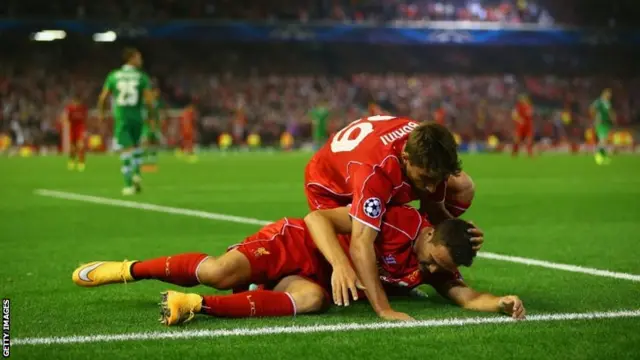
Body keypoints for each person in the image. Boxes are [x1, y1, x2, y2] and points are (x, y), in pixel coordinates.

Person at [72, 206, 523, 324]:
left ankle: (195, 306)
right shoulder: (397, 218)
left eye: (434, 269)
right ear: (428, 234)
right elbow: (318, 218)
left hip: (314, 280)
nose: (425, 271)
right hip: (300, 245)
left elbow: (467, 296)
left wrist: (500, 302)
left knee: (309, 301)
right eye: (428, 260)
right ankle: (128, 269)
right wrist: (345, 266)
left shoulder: (439, 264)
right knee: (217, 271)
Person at [304, 115, 478, 320]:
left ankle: (398, 276)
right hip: (331, 187)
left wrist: (462, 236)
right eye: (426, 179)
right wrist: (384, 309)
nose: (432, 187)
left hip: (368, 164)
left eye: (437, 180)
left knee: (463, 186)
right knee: (357, 262)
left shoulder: (426, 142)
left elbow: (435, 210)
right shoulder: (376, 173)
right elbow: (361, 244)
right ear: (406, 158)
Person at [97, 48, 154, 195]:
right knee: (137, 146)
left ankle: (129, 184)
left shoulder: (114, 76)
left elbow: (103, 97)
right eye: (139, 57)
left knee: (126, 149)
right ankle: (137, 175)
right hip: (138, 116)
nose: (141, 61)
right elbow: (149, 100)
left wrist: (102, 113)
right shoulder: (142, 77)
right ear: (131, 59)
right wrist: (152, 116)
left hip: (122, 116)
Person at [62, 95, 88, 171]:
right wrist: (66, 122)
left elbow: (85, 119)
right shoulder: (69, 108)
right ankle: (71, 161)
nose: (76, 104)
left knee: (81, 146)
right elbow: (66, 117)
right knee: (72, 148)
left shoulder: (83, 108)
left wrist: (85, 130)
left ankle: (81, 162)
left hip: (80, 130)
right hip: (72, 130)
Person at [590, 88, 615, 165]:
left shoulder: (607, 102)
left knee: (604, 140)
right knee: (602, 140)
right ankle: (598, 156)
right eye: (608, 94)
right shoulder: (599, 102)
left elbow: (610, 112)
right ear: (604, 93)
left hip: (607, 123)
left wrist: (613, 118)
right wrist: (595, 118)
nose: (609, 95)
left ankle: (603, 156)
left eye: (610, 94)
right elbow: (592, 109)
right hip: (600, 123)